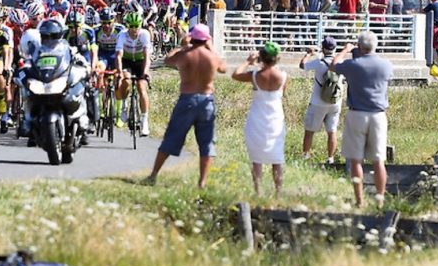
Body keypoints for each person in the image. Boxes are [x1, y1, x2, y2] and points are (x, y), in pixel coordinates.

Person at [144, 25, 228, 188]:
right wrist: (211, 48)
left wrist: (182, 45)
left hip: (187, 99)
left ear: (192, 38)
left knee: (171, 137)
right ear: (206, 40)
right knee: (207, 143)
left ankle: (154, 174)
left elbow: (168, 60)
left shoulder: (184, 54)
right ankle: (202, 181)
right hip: (206, 100)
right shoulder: (211, 57)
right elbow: (223, 68)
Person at [331, 30, 393, 209]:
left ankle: (359, 199)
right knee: (378, 159)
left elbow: (334, 65)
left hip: (357, 113)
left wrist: (345, 50)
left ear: (359, 46)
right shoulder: (386, 65)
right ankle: (380, 197)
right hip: (378, 114)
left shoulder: (352, 64)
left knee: (356, 159)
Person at [233, 41, 287, 196]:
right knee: (277, 158)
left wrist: (248, 61)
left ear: (261, 57)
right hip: (276, 117)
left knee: (257, 159)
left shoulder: (255, 75)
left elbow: (235, 74)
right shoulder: (283, 76)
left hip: (257, 117)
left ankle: (258, 191)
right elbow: (282, 93)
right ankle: (278, 192)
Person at [299, 36, 343, 162]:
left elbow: (302, 66)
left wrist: (309, 54)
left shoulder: (319, 63)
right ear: (334, 48)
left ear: (323, 48)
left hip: (318, 102)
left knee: (310, 130)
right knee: (332, 131)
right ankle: (330, 158)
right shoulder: (340, 62)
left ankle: (306, 155)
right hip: (335, 102)